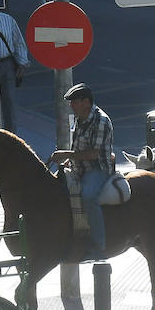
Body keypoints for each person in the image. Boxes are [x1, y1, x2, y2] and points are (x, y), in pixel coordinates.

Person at [51, 83, 114, 261]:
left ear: (86, 102)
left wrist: (66, 154)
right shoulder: (80, 117)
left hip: (98, 170)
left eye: (74, 102)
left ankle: (99, 247)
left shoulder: (101, 120)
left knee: (88, 196)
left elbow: (94, 153)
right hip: (79, 168)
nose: (71, 106)